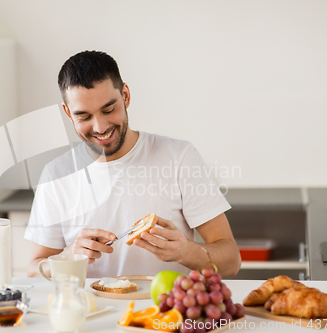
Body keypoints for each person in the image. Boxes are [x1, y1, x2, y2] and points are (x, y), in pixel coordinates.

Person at [25, 50, 241, 278]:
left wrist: (185, 251)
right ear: (68, 113)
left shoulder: (179, 157)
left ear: (125, 96)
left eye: (109, 110)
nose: (100, 127)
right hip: (91, 312)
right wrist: (68, 257)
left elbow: (231, 261)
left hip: (166, 312)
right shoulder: (56, 174)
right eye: (84, 117)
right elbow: (32, 270)